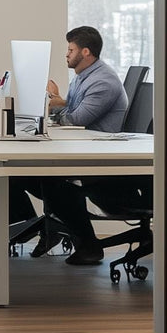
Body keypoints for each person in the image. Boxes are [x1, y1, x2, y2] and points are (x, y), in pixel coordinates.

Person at [11, 26, 130, 265]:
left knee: (54, 181)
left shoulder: (103, 81)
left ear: (86, 52)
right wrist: (58, 103)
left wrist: (56, 105)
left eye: (70, 49)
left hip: (102, 159)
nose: (66, 54)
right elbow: (73, 110)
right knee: (20, 175)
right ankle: (46, 227)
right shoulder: (82, 77)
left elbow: (76, 118)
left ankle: (87, 245)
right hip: (86, 150)